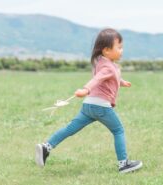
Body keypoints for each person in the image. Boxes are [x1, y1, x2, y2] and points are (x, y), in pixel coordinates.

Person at [35, 28, 142, 173]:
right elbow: (97, 79)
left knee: (70, 129)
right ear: (106, 50)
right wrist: (85, 89)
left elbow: (106, 78)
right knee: (118, 130)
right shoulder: (108, 67)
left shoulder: (100, 62)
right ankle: (123, 164)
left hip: (88, 105)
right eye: (119, 47)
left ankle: (46, 147)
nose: (122, 50)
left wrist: (121, 82)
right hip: (101, 107)